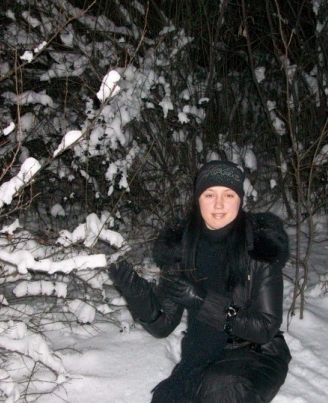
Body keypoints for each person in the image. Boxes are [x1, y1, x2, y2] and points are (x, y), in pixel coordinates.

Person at [109, 160, 291, 402]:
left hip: (256, 354)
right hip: (201, 354)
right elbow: (163, 325)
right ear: (198, 200)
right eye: (209, 194)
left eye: (228, 195)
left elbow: (265, 327)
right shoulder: (182, 247)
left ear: (240, 200)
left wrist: (203, 301)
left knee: (221, 389)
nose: (219, 204)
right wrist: (136, 293)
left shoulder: (259, 245)